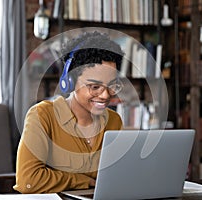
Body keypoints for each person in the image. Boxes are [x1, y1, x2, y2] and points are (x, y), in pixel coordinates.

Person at [13, 31, 124, 194]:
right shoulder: (42, 116)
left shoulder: (114, 121)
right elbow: (28, 181)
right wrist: (82, 181)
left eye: (112, 85)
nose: (106, 95)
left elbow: (117, 177)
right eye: (94, 87)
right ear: (69, 82)